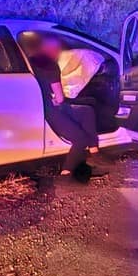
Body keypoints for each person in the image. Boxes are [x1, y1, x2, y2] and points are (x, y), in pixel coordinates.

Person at [28, 35, 102, 181]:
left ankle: (95, 153)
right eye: (57, 50)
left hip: (42, 106)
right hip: (51, 111)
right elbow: (60, 98)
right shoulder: (50, 65)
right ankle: (66, 174)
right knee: (81, 139)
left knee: (86, 110)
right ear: (51, 50)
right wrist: (60, 100)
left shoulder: (31, 61)